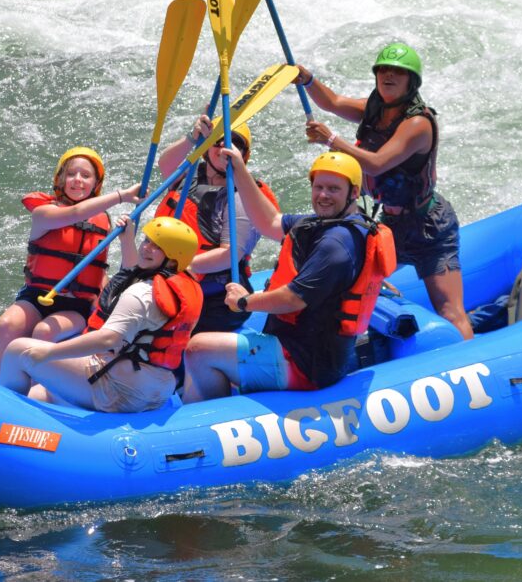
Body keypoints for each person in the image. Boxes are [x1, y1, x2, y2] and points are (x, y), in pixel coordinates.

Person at [181, 151, 395, 402]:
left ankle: (211, 422)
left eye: (333, 189)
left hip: (306, 363)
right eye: (319, 187)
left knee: (198, 349)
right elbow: (269, 221)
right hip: (300, 345)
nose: (323, 195)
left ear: (354, 192)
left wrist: (244, 302)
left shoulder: (337, 243)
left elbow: (293, 299)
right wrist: (239, 169)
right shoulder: (322, 222)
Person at [294, 43, 474, 339]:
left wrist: (332, 140)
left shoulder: (417, 123)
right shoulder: (375, 110)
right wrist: (308, 79)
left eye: (398, 72)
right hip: (391, 223)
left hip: (430, 227)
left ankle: (469, 358)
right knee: (349, 279)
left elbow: (377, 165)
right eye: (383, 70)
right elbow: (334, 102)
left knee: (450, 310)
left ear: (411, 82)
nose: (388, 76)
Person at [0, 216, 202, 413]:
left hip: (119, 390)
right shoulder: (188, 289)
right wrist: (127, 240)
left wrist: (49, 353)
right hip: (157, 391)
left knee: (18, 350)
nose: (146, 247)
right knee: (41, 393)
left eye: (157, 247)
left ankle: (2, 421)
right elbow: (135, 275)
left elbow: (109, 338)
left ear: (173, 260)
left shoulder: (142, 293)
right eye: (147, 240)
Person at [0, 147, 141, 380]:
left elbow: (129, 270)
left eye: (86, 176)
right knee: (5, 326)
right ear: (60, 179)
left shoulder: (104, 222)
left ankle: (28, 391)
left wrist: (127, 237)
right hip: (36, 297)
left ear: (95, 183)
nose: (78, 180)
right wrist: (121, 196)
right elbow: (75, 213)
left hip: (76, 307)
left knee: (45, 331)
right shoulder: (44, 214)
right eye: (72, 174)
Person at [154, 116, 279, 333]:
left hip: (214, 295)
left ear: (244, 155)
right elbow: (165, 165)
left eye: (235, 143)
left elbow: (229, 254)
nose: (224, 148)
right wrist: (192, 139)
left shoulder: (242, 195)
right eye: (218, 141)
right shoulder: (190, 174)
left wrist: (175, 268)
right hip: (170, 277)